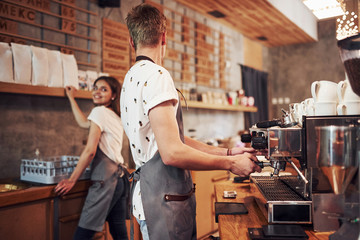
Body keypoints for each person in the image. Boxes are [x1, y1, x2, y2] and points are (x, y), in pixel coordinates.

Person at [121, 3, 262, 240]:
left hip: (148, 197)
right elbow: (172, 153)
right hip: (164, 201)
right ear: (164, 37)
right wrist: (231, 165)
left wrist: (228, 153)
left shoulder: (129, 79)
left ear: (131, 42)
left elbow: (174, 140)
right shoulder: (157, 75)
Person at [55, 76, 129, 240]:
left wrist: (71, 180)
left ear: (114, 95)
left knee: (83, 234)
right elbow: (83, 122)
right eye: (95, 88)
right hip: (120, 179)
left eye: (104, 89)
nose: (97, 92)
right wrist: (71, 97)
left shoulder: (100, 112)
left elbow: (90, 151)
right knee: (119, 233)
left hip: (106, 181)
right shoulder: (113, 115)